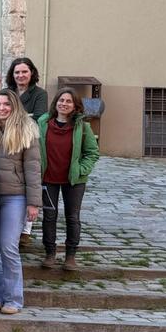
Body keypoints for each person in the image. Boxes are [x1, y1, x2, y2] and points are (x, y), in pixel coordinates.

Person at [0, 90, 41, 315]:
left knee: (8, 247)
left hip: (15, 196)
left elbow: (33, 169)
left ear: (14, 106)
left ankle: (13, 299)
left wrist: (33, 202)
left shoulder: (27, 131)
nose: (2, 108)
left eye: (6, 104)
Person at [38, 88, 99, 272]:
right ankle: (50, 253)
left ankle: (70, 255)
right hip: (48, 178)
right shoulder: (43, 122)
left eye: (68, 101)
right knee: (49, 216)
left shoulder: (82, 126)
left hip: (74, 180)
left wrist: (81, 169)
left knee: (72, 217)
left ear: (75, 106)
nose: (64, 104)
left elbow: (92, 153)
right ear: (55, 102)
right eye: (61, 100)